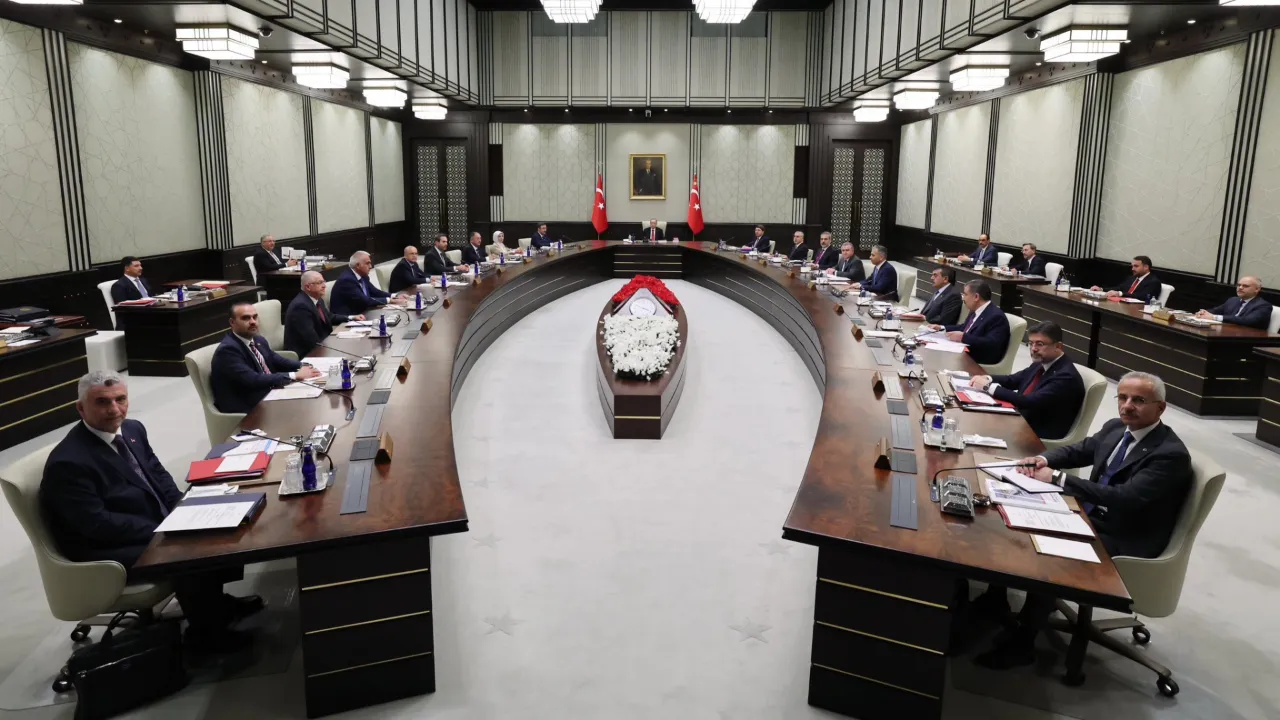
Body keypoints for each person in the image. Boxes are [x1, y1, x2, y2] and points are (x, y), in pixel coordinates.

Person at [972, 372, 1191, 670]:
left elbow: (1125, 498)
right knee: (1011, 517)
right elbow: (1081, 450)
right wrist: (1044, 460)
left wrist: (1058, 479)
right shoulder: (1116, 428)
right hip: (1094, 514)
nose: (1127, 406)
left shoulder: (1169, 455)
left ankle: (1024, 643)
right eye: (1123, 397)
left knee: (1051, 552)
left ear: (1160, 408)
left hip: (1126, 535)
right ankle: (995, 600)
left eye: (1139, 400)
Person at [41, 371, 265, 653]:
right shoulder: (69, 462)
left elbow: (157, 474)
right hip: (105, 547)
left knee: (218, 527)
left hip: (149, 522)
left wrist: (182, 508)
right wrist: (164, 529)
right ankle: (206, 639)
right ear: (80, 408)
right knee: (187, 550)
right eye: (102, 402)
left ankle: (216, 605)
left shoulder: (132, 429)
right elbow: (96, 524)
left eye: (120, 399)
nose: (114, 409)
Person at [967, 321, 1085, 440]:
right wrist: (987, 378)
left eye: (1040, 344)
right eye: (1031, 343)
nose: (1033, 349)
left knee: (976, 426)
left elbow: (1029, 401)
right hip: (1021, 418)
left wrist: (988, 387)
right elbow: (1013, 380)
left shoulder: (1066, 377)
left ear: (1058, 346)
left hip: (1035, 433)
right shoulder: (1042, 362)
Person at [211, 302, 321, 414]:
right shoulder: (228, 350)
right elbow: (253, 379)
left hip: (268, 392)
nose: (253, 322)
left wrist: (305, 365)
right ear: (232, 322)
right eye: (246, 318)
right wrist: (294, 375)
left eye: (255, 317)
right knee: (302, 409)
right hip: (248, 405)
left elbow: (276, 359)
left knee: (313, 396)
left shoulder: (258, 340)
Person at [927, 280, 1009, 365]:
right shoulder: (975, 309)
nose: (963, 298)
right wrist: (941, 327)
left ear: (976, 297)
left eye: (965, 294)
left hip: (976, 361)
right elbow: (964, 327)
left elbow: (991, 344)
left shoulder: (996, 316)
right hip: (963, 353)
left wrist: (963, 337)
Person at [284, 271, 362, 358]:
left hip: (322, 346)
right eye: (319, 283)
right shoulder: (300, 307)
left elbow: (329, 317)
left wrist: (352, 318)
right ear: (308, 287)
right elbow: (311, 339)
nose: (324, 285)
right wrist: (334, 349)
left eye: (323, 281)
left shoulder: (317, 299)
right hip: (307, 354)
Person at [330, 251, 396, 317]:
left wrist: (394, 296)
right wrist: (389, 300)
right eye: (367, 263)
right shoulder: (347, 280)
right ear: (358, 265)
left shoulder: (363, 275)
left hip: (363, 312)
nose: (370, 266)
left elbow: (374, 292)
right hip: (347, 318)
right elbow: (365, 300)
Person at [1196, 276, 1273, 329]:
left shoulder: (1263, 306)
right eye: (1239, 285)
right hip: (1226, 332)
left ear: (1257, 289)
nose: (1240, 288)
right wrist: (1203, 313)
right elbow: (1215, 310)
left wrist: (1214, 317)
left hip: (1247, 339)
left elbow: (1247, 320)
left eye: (1245, 286)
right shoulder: (1233, 300)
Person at [1092, 255, 1161, 303]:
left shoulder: (1153, 282)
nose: (1132, 269)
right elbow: (1120, 288)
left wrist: (1120, 294)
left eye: (1136, 266)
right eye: (1132, 266)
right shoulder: (1132, 278)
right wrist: (1101, 289)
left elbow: (1142, 296)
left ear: (1146, 267)